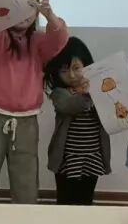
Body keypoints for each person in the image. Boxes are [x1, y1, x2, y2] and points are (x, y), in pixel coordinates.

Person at [0, 0, 68, 204]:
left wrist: (50, 16)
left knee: (26, 181)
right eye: (16, 5)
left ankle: (25, 223)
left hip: (26, 121)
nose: (24, 12)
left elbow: (59, 40)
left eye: (30, 6)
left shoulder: (38, 41)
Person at [43, 37, 110, 206]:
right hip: (68, 158)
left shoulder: (98, 90)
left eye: (76, 68)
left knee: (86, 199)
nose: (71, 75)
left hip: (92, 156)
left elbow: (111, 113)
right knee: (66, 201)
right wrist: (86, 95)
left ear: (87, 66)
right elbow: (69, 106)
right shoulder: (59, 93)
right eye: (64, 71)